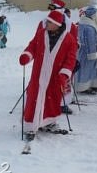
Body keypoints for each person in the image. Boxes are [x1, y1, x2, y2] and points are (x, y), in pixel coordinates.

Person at [19, 10, 78, 141]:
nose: (46, 23)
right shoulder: (41, 34)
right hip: (38, 75)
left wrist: (64, 74)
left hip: (55, 77)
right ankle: (31, 126)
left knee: (51, 101)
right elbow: (32, 46)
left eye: (49, 22)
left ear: (57, 24)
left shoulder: (69, 40)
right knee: (34, 99)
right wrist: (26, 55)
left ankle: (48, 122)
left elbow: (71, 59)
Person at [75, 6, 97, 94]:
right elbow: (89, 41)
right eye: (96, 14)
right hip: (88, 52)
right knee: (86, 68)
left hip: (93, 50)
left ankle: (93, 85)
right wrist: (92, 53)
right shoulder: (89, 27)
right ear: (93, 15)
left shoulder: (90, 23)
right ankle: (83, 87)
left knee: (94, 68)